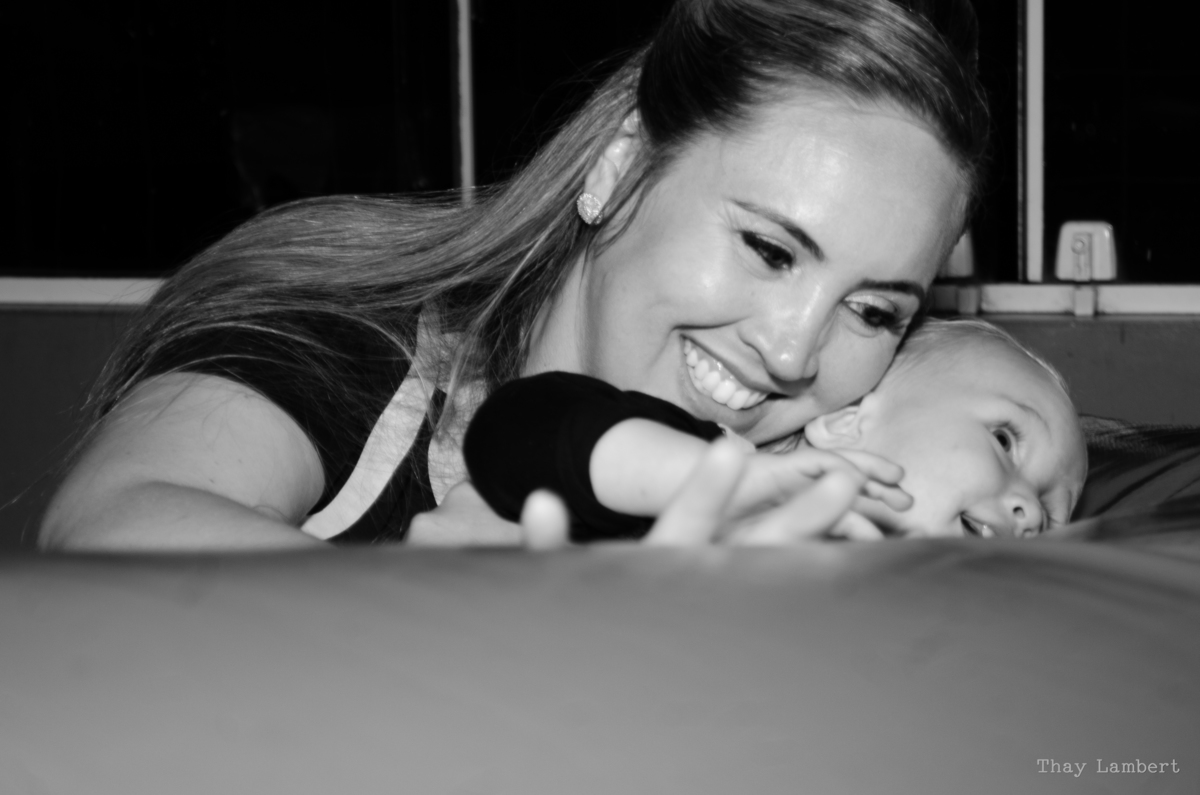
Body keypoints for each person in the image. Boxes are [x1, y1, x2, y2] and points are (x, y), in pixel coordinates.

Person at [40, 0, 989, 551]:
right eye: (769, 250)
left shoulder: (809, 494)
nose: (792, 351)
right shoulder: (347, 342)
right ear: (621, 168)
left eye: (873, 310)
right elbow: (111, 523)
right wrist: (440, 608)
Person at [464, 318, 1086, 543]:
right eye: (1005, 441)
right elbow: (516, 426)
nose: (1030, 511)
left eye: (1055, 516)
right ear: (847, 422)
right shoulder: (740, 471)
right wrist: (708, 480)